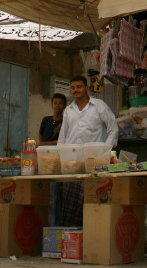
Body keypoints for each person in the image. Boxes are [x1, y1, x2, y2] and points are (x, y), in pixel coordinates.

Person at [58, 75, 118, 227]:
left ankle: (94, 237)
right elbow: (62, 137)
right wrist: (60, 158)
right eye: (73, 88)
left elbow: (113, 128)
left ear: (86, 88)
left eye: (79, 87)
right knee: (70, 209)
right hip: (72, 165)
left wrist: (105, 151)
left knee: (93, 205)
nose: (76, 90)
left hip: (95, 164)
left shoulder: (99, 106)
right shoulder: (68, 111)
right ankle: (73, 240)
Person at [38, 93, 67, 226]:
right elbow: (41, 135)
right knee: (48, 193)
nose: (57, 105)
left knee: (55, 195)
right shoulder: (46, 120)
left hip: (58, 159)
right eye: (55, 103)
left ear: (64, 106)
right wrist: (43, 147)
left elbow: (61, 142)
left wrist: (42, 145)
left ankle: (55, 225)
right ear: (51, 105)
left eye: (60, 103)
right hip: (45, 159)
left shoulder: (65, 122)